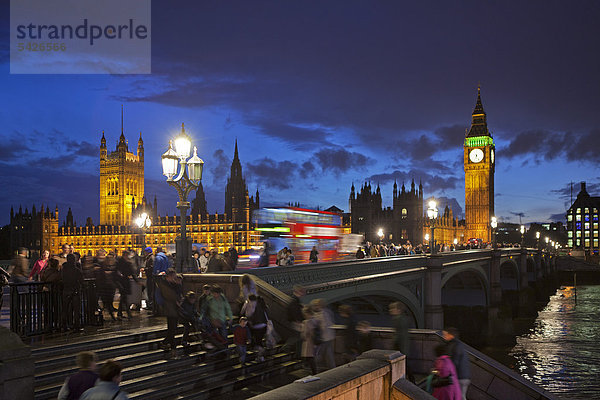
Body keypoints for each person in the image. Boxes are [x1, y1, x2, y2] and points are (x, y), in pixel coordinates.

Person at [157, 268, 183, 351]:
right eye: (174, 277)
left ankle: (170, 346)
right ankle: (168, 345)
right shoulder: (164, 284)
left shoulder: (173, 284)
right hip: (170, 308)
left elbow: (178, 294)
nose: (175, 279)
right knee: (172, 328)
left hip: (174, 309)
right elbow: (170, 296)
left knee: (173, 328)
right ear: (170, 276)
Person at [443, 327, 471, 400]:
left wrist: (449, 373)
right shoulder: (459, 344)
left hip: (459, 376)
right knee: (461, 396)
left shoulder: (454, 345)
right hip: (464, 375)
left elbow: (454, 361)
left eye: (446, 335)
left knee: (459, 397)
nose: (444, 336)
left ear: (451, 335)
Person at [390, 301, 413, 381]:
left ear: (398, 310)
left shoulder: (397, 319)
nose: (391, 310)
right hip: (404, 344)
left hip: (400, 345)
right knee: (406, 363)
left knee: (401, 363)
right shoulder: (404, 318)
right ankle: (411, 379)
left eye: (393, 309)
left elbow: (398, 334)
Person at [241, 294, 268, 361]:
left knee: (256, 341)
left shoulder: (250, 304)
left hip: (256, 326)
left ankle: (260, 355)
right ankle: (260, 355)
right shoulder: (261, 303)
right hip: (264, 325)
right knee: (259, 340)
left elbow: (244, 313)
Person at [311, 299, 335, 371]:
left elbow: (321, 326)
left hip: (322, 338)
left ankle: (316, 369)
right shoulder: (328, 312)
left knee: (318, 355)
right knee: (328, 355)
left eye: (316, 305)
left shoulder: (319, 315)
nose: (314, 307)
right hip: (328, 337)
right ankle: (332, 369)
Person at [114, 251, 139, 320]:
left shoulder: (119, 262)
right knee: (124, 298)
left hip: (122, 282)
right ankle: (128, 314)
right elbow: (132, 272)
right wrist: (137, 281)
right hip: (124, 282)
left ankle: (120, 314)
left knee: (123, 298)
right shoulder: (126, 263)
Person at [62, 253, 84, 330]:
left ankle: (64, 325)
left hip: (66, 290)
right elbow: (81, 280)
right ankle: (76, 325)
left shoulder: (64, 269)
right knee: (76, 309)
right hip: (75, 290)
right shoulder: (76, 270)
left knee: (65, 309)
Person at [284, 285, 305, 357]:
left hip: (295, 321)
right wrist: (299, 320)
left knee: (297, 336)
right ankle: (286, 347)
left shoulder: (295, 300)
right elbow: (295, 311)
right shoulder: (295, 301)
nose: (303, 293)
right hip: (296, 322)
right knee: (297, 336)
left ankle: (297, 353)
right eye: (301, 291)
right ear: (297, 291)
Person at [301, 306, 318, 375]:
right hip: (314, 341)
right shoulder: (315, 320)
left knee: (309, 356)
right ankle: (313, 370)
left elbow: (304, 334)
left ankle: (313, 371)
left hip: (308, 341)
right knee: (311, 356)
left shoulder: (306, 322)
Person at [142, 247, 154, 312]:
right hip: (149, 277)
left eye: (145, 252)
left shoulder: (151, 258)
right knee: (149, 291)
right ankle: (149, 305)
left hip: (150, 277)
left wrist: (145, 269)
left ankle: (150, 306)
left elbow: (152, 267)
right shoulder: (150, 257)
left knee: (150, 291)